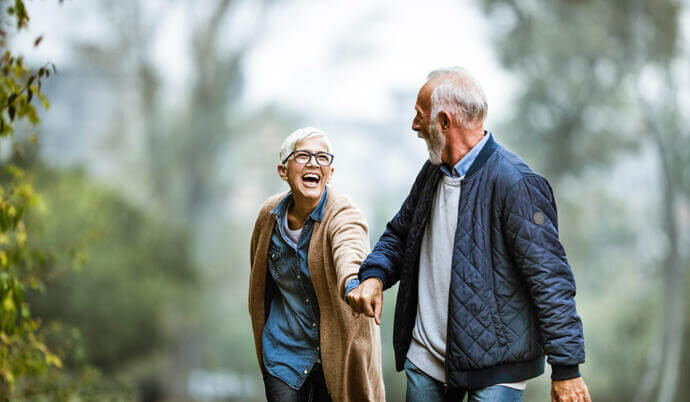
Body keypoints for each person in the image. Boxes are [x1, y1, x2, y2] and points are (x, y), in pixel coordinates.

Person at [347, 68, 591, 402]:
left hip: (497, 371)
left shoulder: (517, 184)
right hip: (425, 361)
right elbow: (400, 235)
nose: (414, 126)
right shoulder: (433, 171)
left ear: (444, 122)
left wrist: (567, 370)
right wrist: (374, 276)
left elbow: (550, 281)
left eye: (420, 117)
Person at [248, 127, 385, 402]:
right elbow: (260, 283)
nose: (313, 163)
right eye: (303, 156)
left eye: (323, 157)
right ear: (283, 170)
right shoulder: (268, 217)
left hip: (335, 354)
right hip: (283, 352)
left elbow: (351, 249)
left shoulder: (343, 213)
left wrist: (354, 283)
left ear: (330, 173)